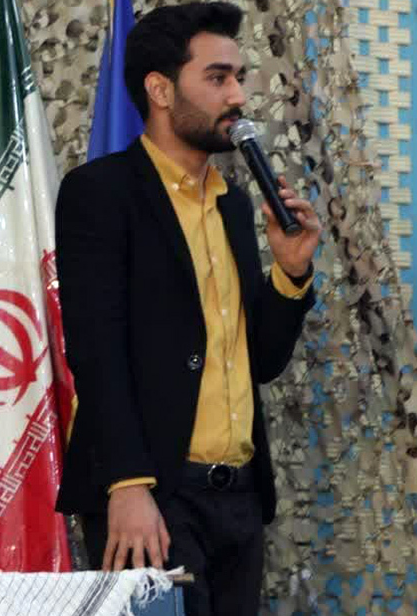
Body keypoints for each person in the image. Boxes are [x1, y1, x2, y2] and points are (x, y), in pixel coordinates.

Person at [53, 3, 321, 615]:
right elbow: (95, 350)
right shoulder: (102, 193)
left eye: (239, 78)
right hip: (152, 494)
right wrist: (127, 484)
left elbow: (262, 360)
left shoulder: (233, 204)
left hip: (239, 499)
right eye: (218, 78)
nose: (238, 96)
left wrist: (290, 273)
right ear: (160, 90)